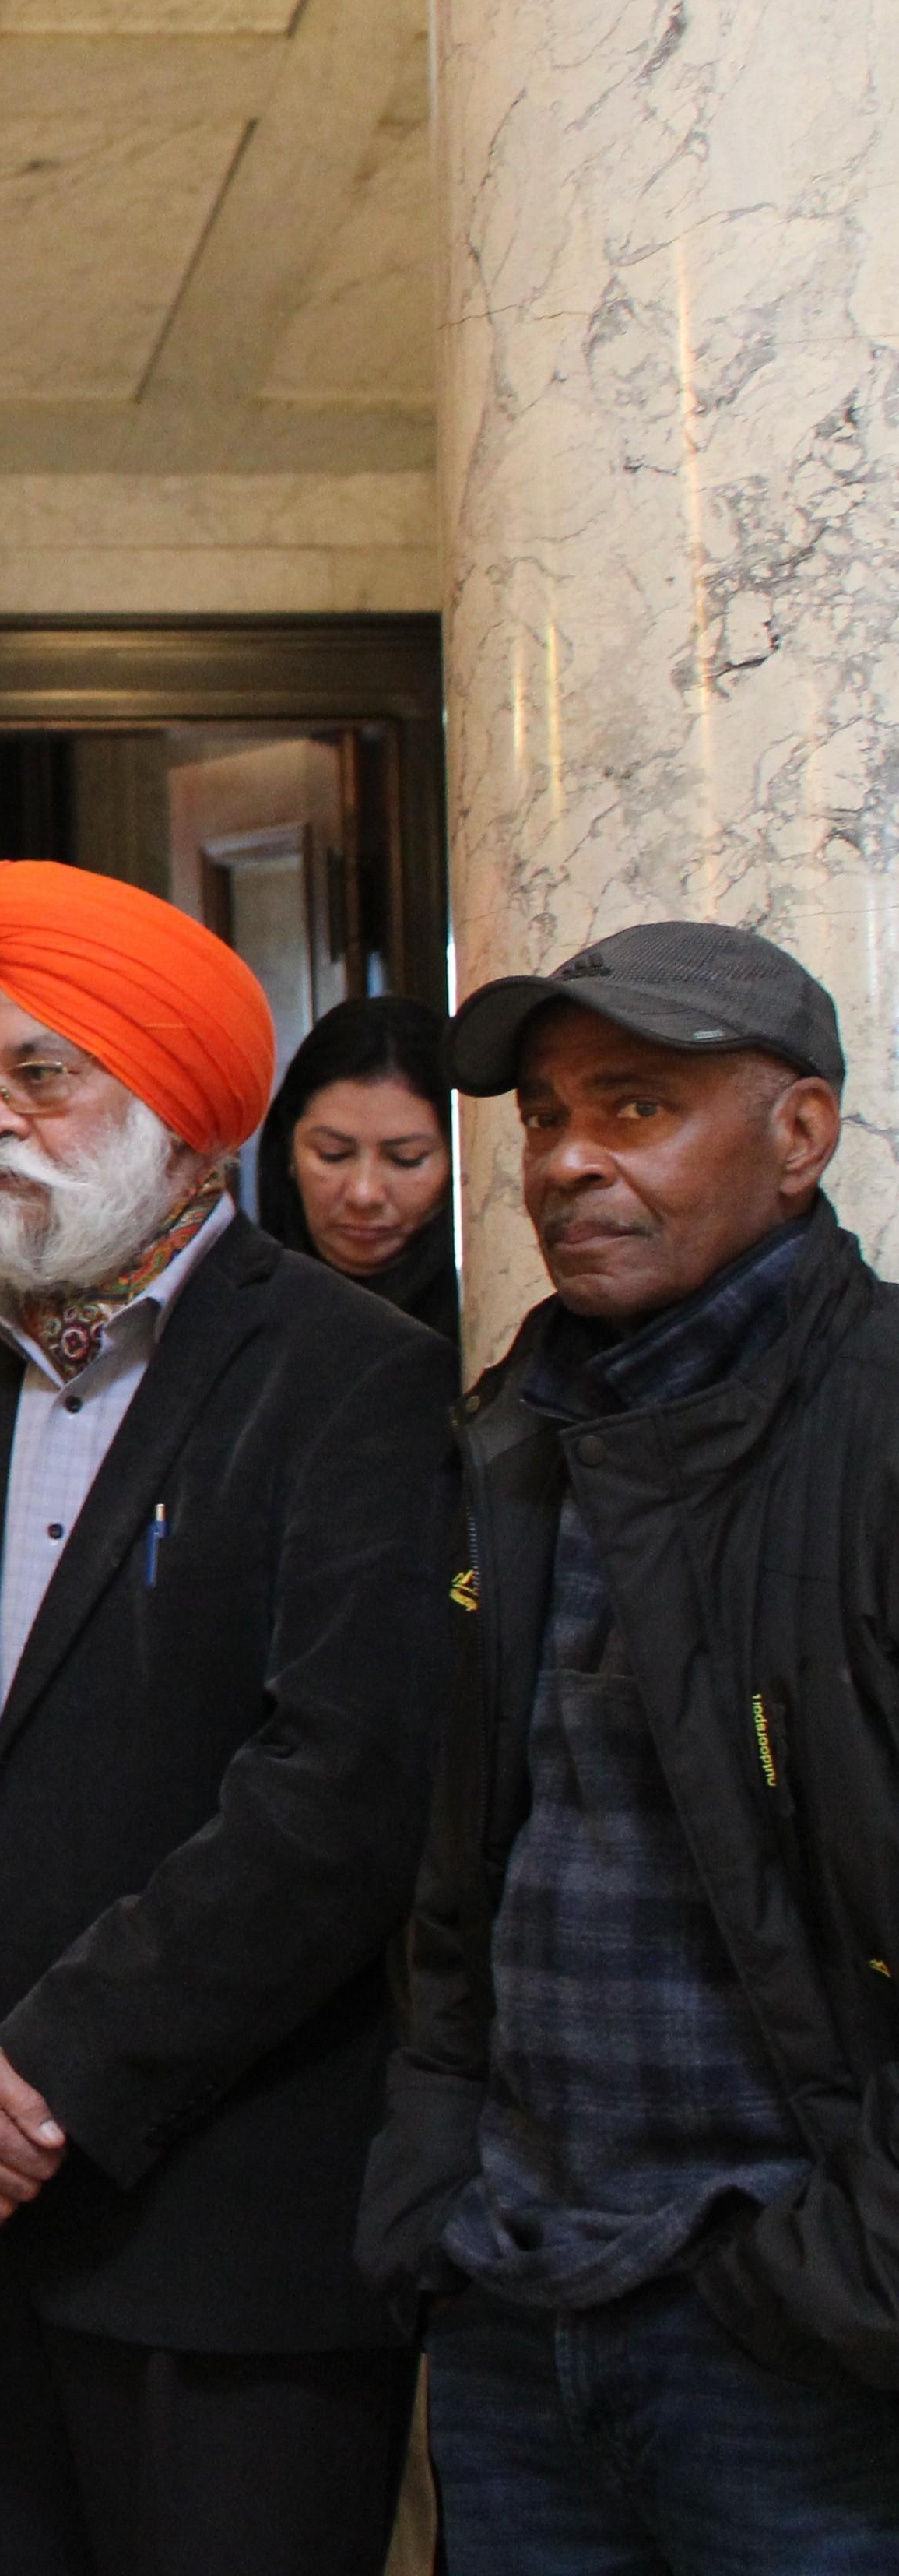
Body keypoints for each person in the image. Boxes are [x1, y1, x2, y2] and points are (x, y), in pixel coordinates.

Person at [0, 859, 453, 2576]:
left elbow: (339, 1792)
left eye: (45, 1077)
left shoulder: (353, 1377)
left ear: (192, 1110)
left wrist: (44, 2079)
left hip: (222, 2232)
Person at [362, 923, 899, 2569]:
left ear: (798, 1135)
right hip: (522, 2293)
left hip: (791, 2326)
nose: (568, 1161)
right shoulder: (517, 1429)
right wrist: (441, 2188)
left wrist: (841, 2269)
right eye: (541, 1113)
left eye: (638, 1105)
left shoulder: (874, 1429)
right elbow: (467, 1862)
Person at [254, 994, 458, 1337]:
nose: (364, 1194)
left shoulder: (489, 1321)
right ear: (288, 1149)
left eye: (405, 1159)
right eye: (332, 1154)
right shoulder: (228, 1314)